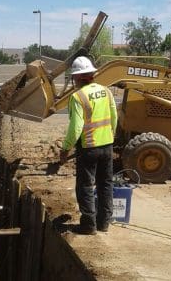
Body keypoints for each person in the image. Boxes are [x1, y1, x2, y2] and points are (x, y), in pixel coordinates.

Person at [60, 56, 118, 235]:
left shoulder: (77, 97)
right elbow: (114, 118)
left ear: (77, 78)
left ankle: (88, 225)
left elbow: (76, 127)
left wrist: (65, 148)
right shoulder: (106, 91)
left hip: (88, 147)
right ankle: (104, 223)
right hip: (107, 145)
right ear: (92, 74)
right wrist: (109, 136)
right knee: (105, 184)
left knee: (85, 186)